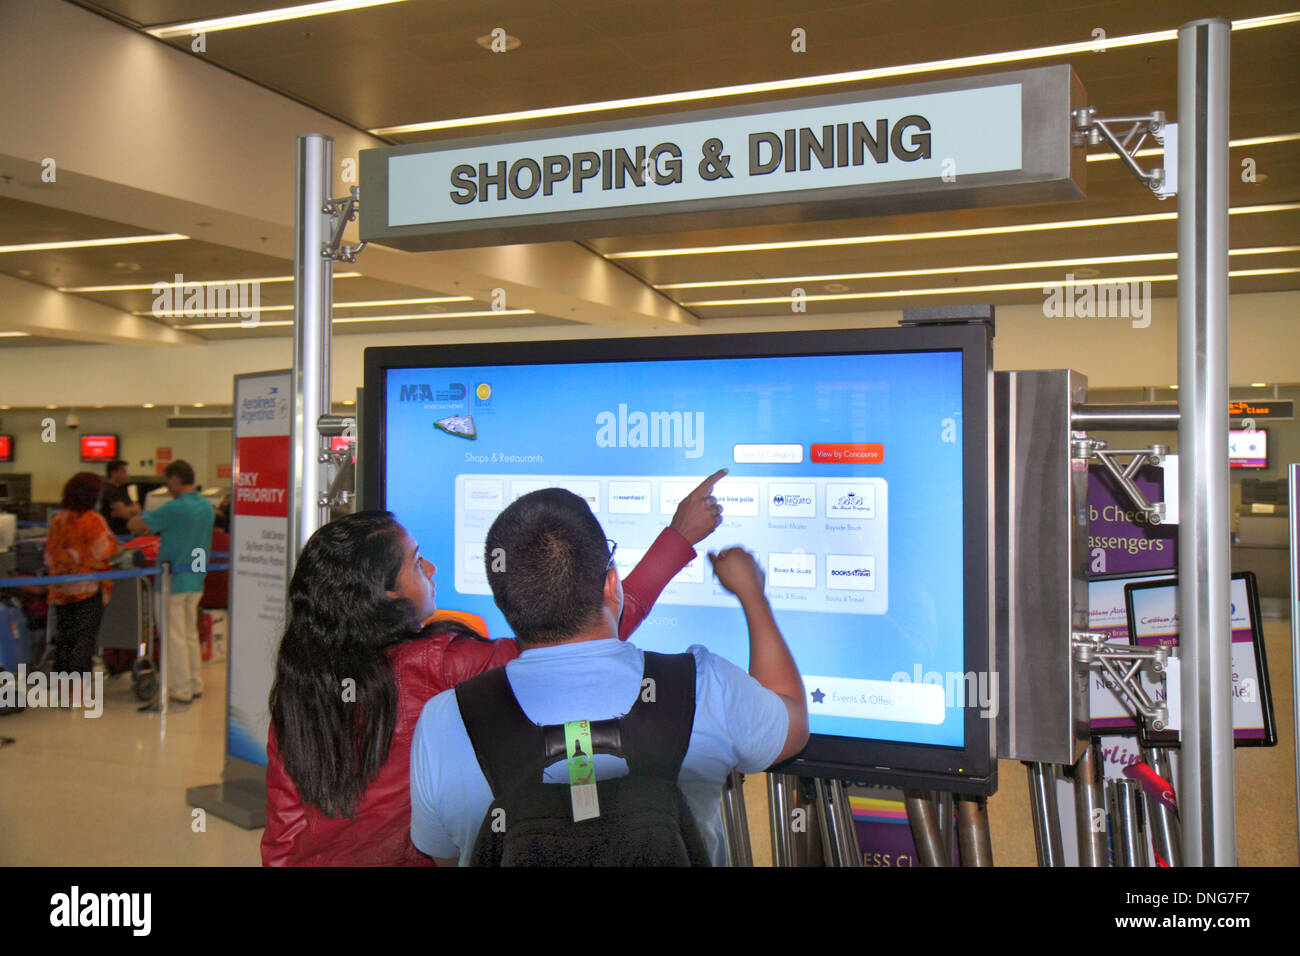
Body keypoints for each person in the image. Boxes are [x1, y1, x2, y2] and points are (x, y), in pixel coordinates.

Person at [261, 470, 728, 866]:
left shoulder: (301, 682)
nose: (431, 566)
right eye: (415, 561)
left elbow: (283, 833)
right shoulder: (440, 664)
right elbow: (581, 633)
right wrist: (678, 537)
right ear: (385, 594)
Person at [409, 487, 809, 867]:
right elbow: (791, 723)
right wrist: (752, 594)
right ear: (612, 584)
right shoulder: (702, 687)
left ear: (502, 601)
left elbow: (452, 855)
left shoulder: (446, 720)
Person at [127, 460, 213, 705]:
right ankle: (195, 683)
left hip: (171, 581)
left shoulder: (174, 508)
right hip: (196, 579)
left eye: (168, 481)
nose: (167, 486)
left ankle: (180, 688)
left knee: (173, 636)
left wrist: (135, 513)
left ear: (175, 479)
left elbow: (136, 526)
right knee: (189, 634)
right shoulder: (206, 507)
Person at [45, 473, 120, 676]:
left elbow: (49, 556)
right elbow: (104, 551)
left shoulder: (58, 520)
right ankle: (76, 691)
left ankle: (60, 687)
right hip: (88, 590)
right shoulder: (93, 521)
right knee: (83, 640)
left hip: (61, 589)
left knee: (64, 638)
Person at [99, 459, 138, 536]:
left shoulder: (122, 490)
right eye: (123, 472)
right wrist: (131, 510)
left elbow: (138, 508)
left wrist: (129, 510)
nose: (127, 475)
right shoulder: (109, 490)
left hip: (126, 532)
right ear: (114, 473)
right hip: (116, 534)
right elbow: (124, 514)